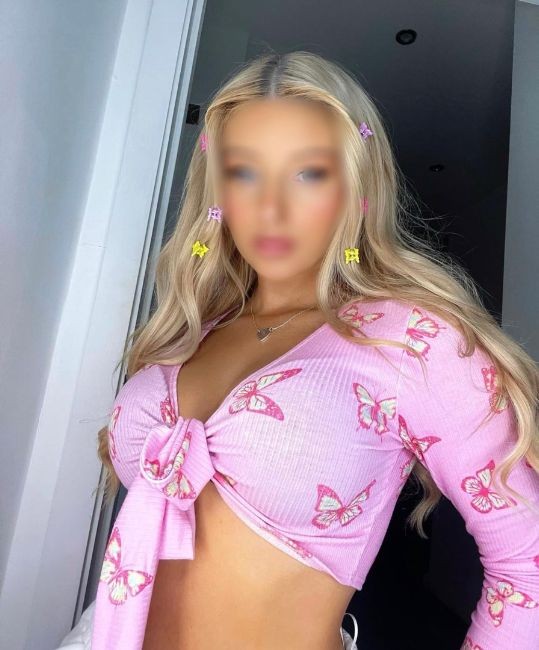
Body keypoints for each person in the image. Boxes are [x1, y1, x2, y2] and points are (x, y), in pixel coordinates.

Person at [58, 51, 538, 650]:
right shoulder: (191, 330)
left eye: (308, 173)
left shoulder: (410, 338)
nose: (272, 208)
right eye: (244, 172)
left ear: (355, 188)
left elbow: (528, 566)